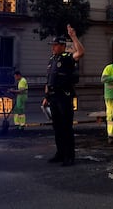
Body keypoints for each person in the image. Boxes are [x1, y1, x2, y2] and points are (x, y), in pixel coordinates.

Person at [42, 24, 84, 166]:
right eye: (52, 45)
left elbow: (81, 52)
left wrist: (73, 36)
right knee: (57, 128)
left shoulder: (67, 58)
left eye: (55, 45)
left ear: (61, 46)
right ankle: (60, 154)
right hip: (53, 97)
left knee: (66, 128)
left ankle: (69, 156)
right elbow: (49, 80)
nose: (52, 47)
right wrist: (46, 97)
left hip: (64, 97)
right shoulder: (52, 60)